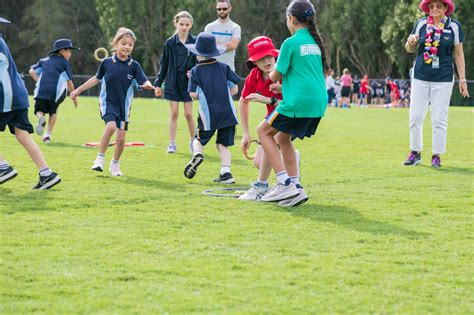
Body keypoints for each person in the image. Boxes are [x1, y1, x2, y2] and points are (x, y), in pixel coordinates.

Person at [257, 0, 328, 206]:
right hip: (317, 102)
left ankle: (283, 182)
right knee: (282, 137)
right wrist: (284, 88)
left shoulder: (290, 43)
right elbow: (304, 76)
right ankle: (295, 188)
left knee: (263, 131)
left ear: (292, 19)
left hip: (299, 102)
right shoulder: (315, 42)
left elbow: (274, 75)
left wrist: (268, 73)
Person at [70, 27, 155, 176]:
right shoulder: (107, 63)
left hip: (124, 107)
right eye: (124, 43)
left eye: (130, 44)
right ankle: (99, 160)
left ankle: (114, 165)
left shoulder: (134, 66)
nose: (127, 47)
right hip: (108, 103)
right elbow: (95, 79)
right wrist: (78, 90)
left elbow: (144, 80)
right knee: (110, 127)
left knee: (121, 137)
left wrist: (148, 85)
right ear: (116, 44)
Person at [404, 0, 468, 167]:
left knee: (439, 119)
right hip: (420, 77)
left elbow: (459, 54)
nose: (434, 9)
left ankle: (436, 155)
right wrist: (410, 42)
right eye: (431, 7)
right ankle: (415, 152)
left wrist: (462, 80)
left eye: (438, 6)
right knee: (415, 116)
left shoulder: (453, 26)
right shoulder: (421, 24)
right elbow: (409, 48)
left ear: (446, 8)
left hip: (443, 79)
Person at [0, 17, 61, 189]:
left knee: (22, 135)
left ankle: (3, 168)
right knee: (22, 135)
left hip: (6, 95)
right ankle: (47, 174)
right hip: (18, 95)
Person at [183, 32, 240, 183]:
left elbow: (193, 94)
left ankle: (197, 154)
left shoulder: (195, 71)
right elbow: (235, 90)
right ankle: (226, 173)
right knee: (222, 144)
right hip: (229, 114)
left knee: (198, 139)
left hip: (208, 115)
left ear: (197, 53)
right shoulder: (224, 67)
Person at [238, 36, 289, 200]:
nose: (266, 61)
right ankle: (291, 158)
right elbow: (243, 101)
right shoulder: (254, 76)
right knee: (259, 163)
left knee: (270, 138)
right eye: (260, 58)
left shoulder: (284, 71)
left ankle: (264, 185)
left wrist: (269, 100)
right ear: (254, 62)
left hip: (291, 116)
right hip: (273, 118)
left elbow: (294, 103)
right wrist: (246, 133)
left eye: (268, 56)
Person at [154, 11, 197, 154]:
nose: (184, 27)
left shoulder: (195, 42)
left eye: (187, 24)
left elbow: (201, 62)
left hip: (188, 84)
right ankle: (172, 144)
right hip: (172, 82)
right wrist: (158, 84)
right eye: (181, 24)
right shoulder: (170, 43)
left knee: (189, 114)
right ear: (176, 24)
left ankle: (193, 142)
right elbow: (164, 65)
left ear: (190, 25)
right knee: (174, 114)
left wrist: (194, 72)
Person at [29, 39, 79, 143]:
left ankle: (41, 118)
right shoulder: (65, 63)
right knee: (53, 112)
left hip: (41, 90)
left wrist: (38, 81)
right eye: (69, 51)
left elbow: (31, 71)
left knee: (39, 110)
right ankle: (47, 135)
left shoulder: (44, 61)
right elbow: (69, 81)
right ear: (62, 51)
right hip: (55, 93)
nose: (70, 54)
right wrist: (74, 96)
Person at [204, 0, 241, 72]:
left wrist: (214, 45)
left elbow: (233, 46)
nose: (221, 11)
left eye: (224, 9)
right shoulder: (209, 27)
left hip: (228, 70)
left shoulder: (235, 27)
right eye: (219, 9)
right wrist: (226, 45)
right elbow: (206, 46)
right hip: (211, 70)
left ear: (230, 8)